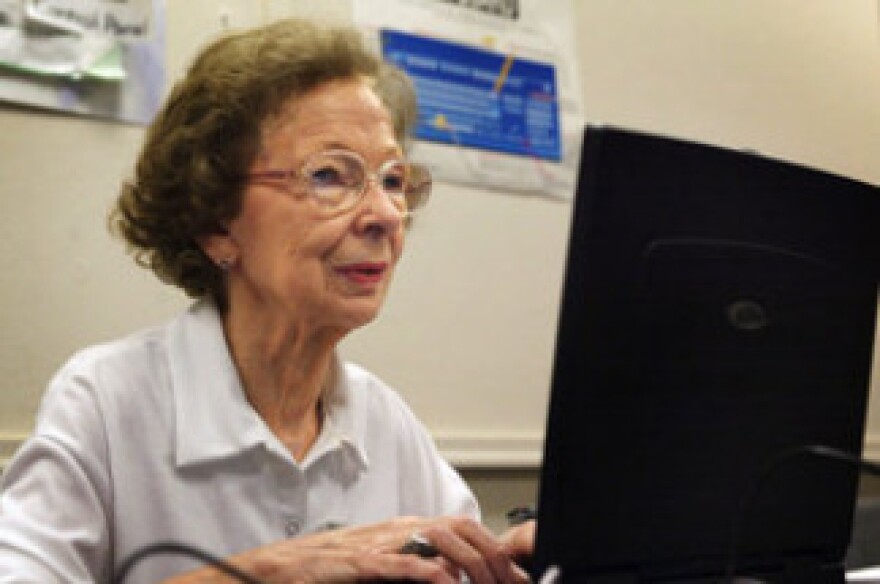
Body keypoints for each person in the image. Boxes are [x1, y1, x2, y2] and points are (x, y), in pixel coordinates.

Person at [0, 18, 534, 584]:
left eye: (394, 180)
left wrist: (510, 562)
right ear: (215, 222)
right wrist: (272, 572)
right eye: (331, 175)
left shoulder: (385, 424)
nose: (383, 215)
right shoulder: (107, 402)